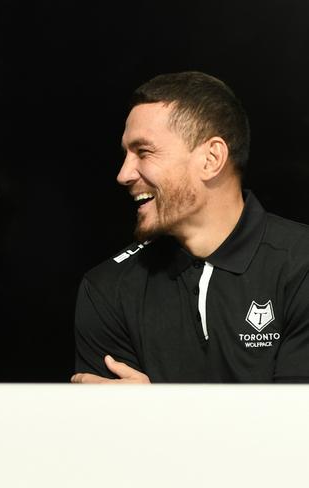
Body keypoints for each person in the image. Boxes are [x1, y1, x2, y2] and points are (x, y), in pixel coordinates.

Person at [71, 71, 309, 384]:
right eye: (125, 155)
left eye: (143, 152)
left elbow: (294, 427)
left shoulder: (300, 264)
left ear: (211, 159)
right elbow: (107, 431)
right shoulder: (107, 289)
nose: (124, 173)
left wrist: (156, 411)